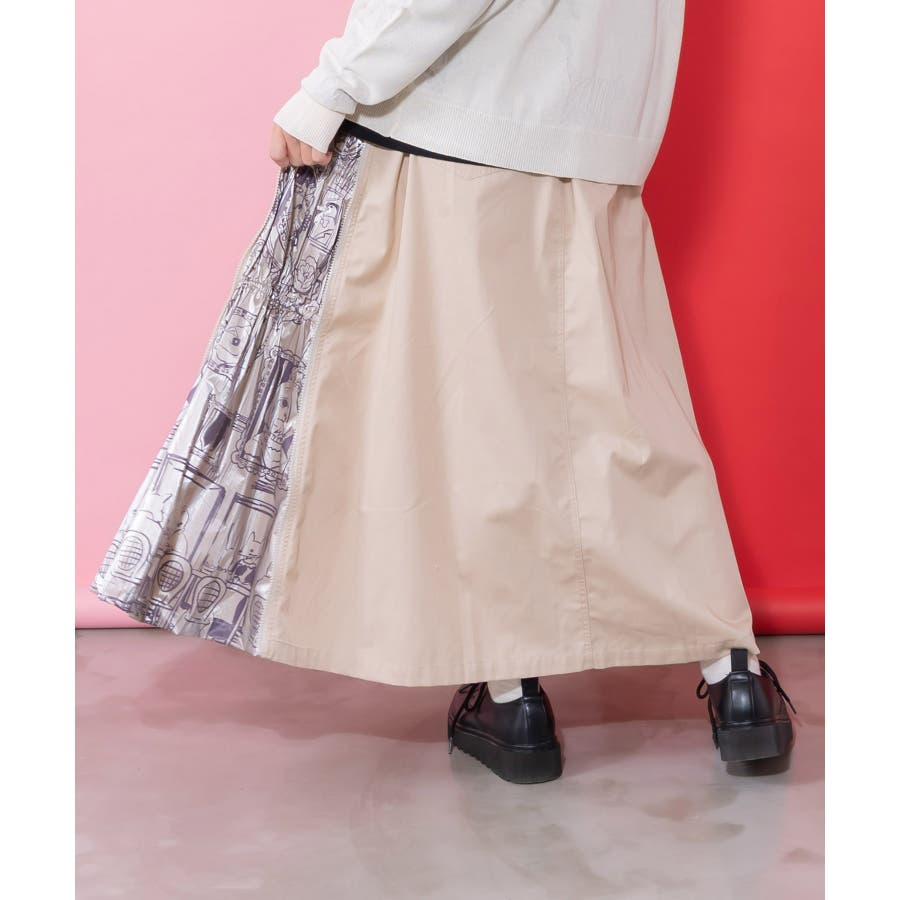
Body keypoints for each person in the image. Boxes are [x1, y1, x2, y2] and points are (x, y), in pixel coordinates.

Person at [91, 0, 798, 784]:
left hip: (458, 127)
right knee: (619, 421)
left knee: (476, 429)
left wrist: (332, 86)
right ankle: (734, 678)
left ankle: (514, 695)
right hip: (601, 137)